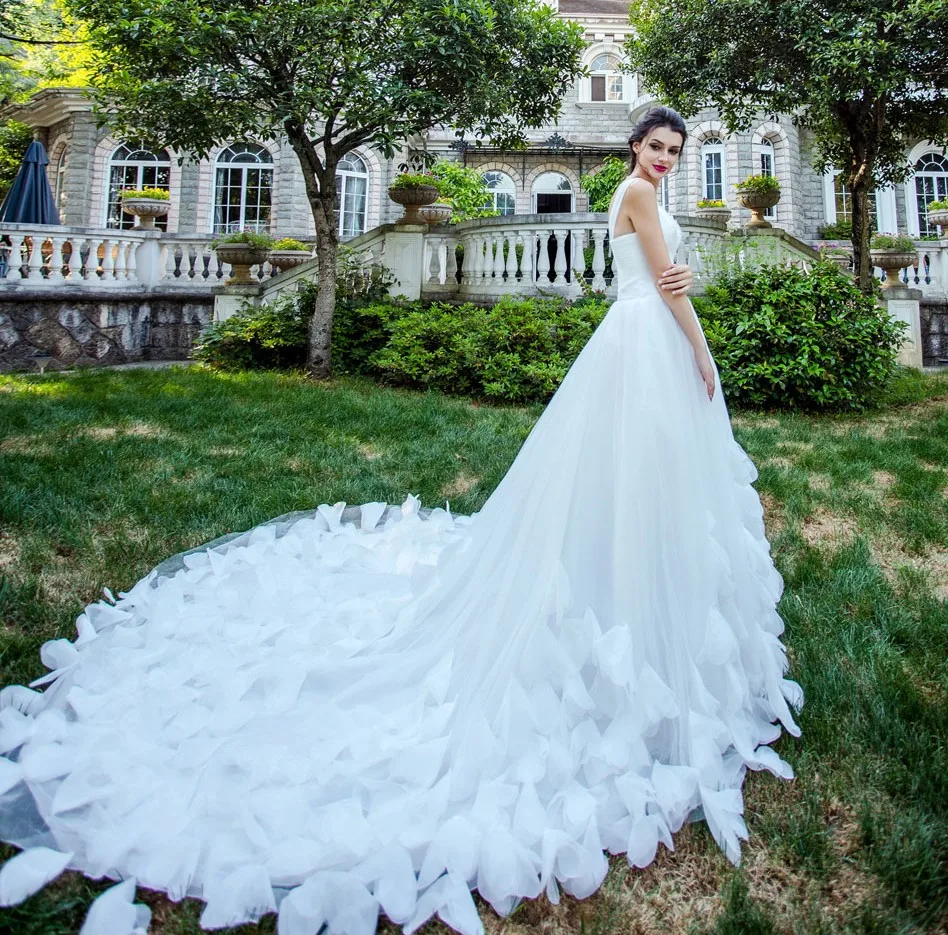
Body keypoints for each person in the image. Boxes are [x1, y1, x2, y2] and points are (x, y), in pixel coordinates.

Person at [0, 106, 802, 935]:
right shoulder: (636, 193)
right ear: (636, 147)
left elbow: (667, 278)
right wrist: (702, 352)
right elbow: (669, 284)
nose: (668, 159)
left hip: (641, 339)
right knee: (626, 475)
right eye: (659, 147)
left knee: (637, 481)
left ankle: (635, 592)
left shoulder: (639, 192)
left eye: (675, 150)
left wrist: (685, 308)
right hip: (648, 342)